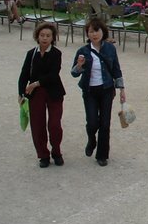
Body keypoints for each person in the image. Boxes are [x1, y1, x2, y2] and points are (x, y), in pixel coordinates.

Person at [71, 17, 126, 166]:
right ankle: (91, 139)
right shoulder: (82, 51)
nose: (94, 34)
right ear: (87, 34)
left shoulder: (110, 48)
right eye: (90, 31)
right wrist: (80, 66)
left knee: (105, 123)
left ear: (103, 32)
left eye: (97, 31)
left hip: (106, 89)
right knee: (92, 122)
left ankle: (102, 155)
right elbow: (74, 73)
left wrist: (121, 89)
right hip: (89, 90)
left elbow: (116, 69)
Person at [18, 22, 66, 168]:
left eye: (48, 36)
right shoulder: (31, 54)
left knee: (54, 125)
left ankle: (56, 152)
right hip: (36, 93)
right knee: (37, 125)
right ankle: (43, 155)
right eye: (42, 35)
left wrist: (36, 83)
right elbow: (24, 74)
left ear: (53, 38)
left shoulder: (56, 53)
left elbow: (53, 74)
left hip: (53, 91)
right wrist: (21, 93)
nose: (45, 38)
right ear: (37, 37)